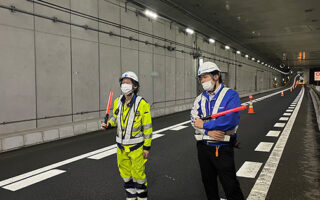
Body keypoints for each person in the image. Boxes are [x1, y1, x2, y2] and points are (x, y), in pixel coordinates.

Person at [191, 62, 244, 200]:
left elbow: (230, 120)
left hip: (222, 147)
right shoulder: (199, 99)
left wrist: (205, 125)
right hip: (203, 147)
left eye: (205, 77)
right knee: (209, 185)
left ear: (216, 76)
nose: (203, 81)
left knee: (230, 185)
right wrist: (208, 132)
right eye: (201, 78)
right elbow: (194, 121)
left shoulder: (231, 95)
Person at [101, 71, 152, 200]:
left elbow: (147, 128)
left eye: (128, 82)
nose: (124, 85)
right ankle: (130, 197)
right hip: (121, 148)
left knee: (138, 176)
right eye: (123, 82)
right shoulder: (118, 101)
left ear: (135, 86)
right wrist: (109, 124)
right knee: (126, 175)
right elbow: (115, 118)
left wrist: (147, 147)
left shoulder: (142, 103)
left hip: (136, 148)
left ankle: (142, 197)